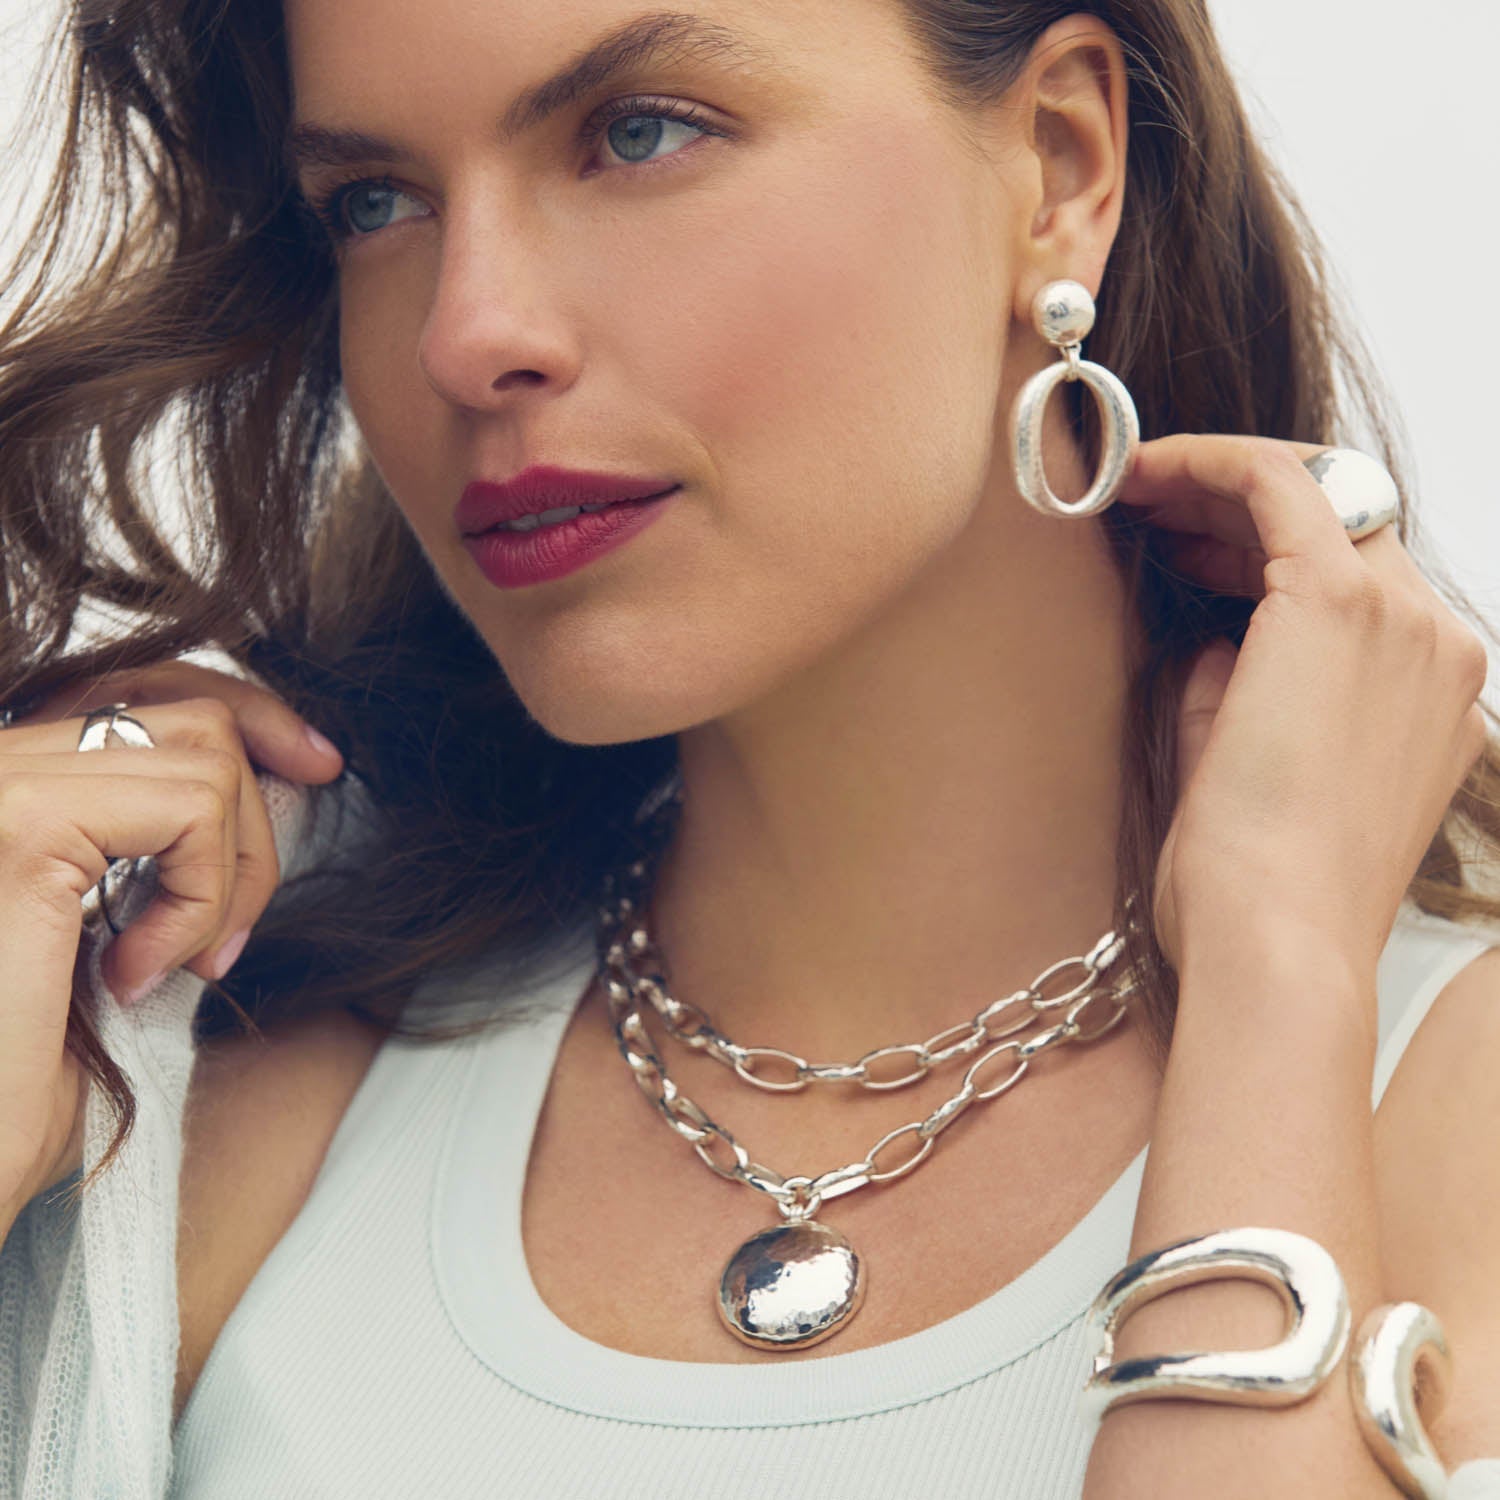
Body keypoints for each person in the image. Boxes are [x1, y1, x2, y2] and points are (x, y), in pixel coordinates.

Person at [0, 0, 1497, 1495]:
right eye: (374, 204)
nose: (466, 336)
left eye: (639, 134)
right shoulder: (208, 1052)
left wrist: (1279, 986)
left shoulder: (1445, 1105)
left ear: (1060, 163)